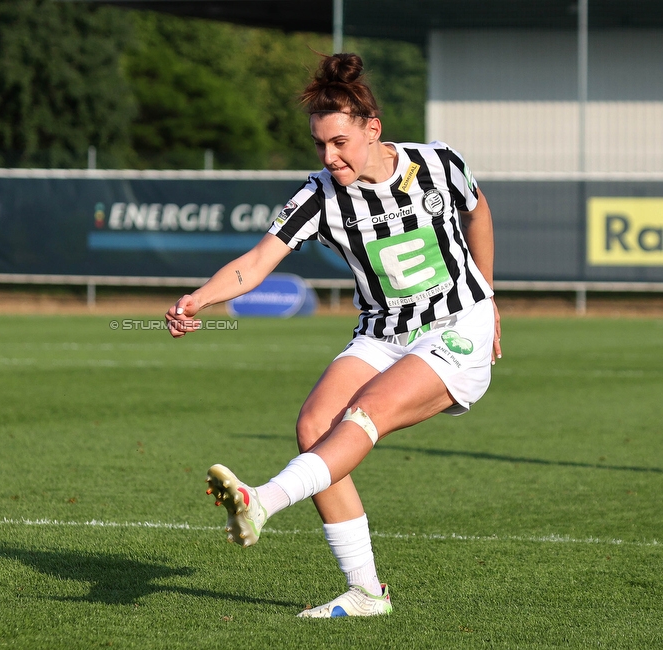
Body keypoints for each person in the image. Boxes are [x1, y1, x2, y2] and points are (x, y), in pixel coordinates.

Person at [166, 53, 502, 618]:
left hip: (455, 325)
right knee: (314, 426)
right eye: (321, 144)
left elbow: (479, 213)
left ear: (373, 130)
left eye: (341, 142)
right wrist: (201, 297)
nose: (330, 156)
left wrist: (489, 300)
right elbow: (256, 261)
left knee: (362, 414)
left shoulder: (440, 164)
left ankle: (262, 500)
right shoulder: (319, 195)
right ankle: (367, 592)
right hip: (382, 333)